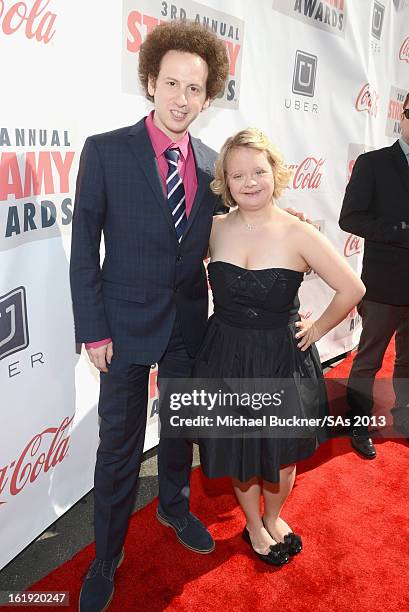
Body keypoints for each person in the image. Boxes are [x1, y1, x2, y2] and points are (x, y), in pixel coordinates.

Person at [70, 21, 307, 611]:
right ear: (150, 82)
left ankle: (175, 508)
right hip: (121, 330)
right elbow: (83, 252)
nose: (181, 98)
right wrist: (92, 328)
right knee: (119, 447)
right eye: (170, 83)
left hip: (188, 328)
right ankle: (105, 556)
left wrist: (295, 226)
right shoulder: (105, 150)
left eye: (194, 88)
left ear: (208, 96)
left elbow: (245, 217)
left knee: (179, 434)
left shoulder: (209, 164)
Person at [191, 128, 365, 566]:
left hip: (282, 360)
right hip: (226, 357)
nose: (249, 182)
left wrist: (318, 328)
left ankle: (273, 514)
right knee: (241, 452)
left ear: (275, 174)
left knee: (282, 456)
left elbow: (352, 288)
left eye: (258, 172)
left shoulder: (299, 233)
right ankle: (253, 525)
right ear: (224, 183)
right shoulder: (210, 230)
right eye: (237, 175)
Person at [339, 92, 409, 459]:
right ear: (402, 117)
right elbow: (349, 218)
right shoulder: (374, 164)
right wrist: (400, 229)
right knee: (368, 358)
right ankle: (358, 422)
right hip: (383, 285)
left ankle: (404, 414)